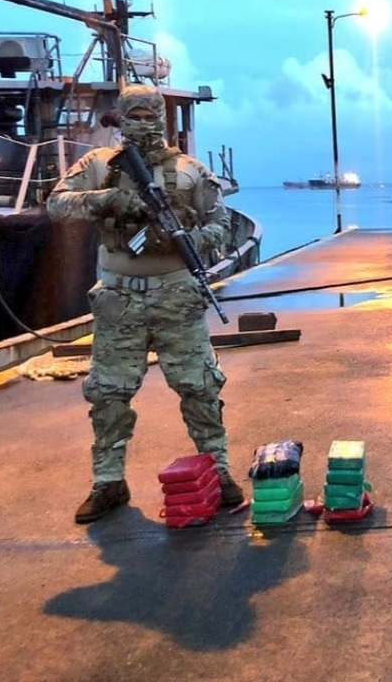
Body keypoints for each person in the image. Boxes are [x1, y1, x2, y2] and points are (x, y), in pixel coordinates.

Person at [47, 83, 244, 523]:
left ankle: (220, 472)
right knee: (110, 394)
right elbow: (57, 205)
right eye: (132, 115)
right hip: (119, 300)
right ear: (120, 116)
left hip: (177, 296)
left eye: (149, 113)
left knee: (200, 388)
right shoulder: (99, 166)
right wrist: (109, 199)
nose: (141, 122)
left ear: (162, 116)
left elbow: (222, 224)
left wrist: (190, 238)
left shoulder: (190, 171)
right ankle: (108, 481)